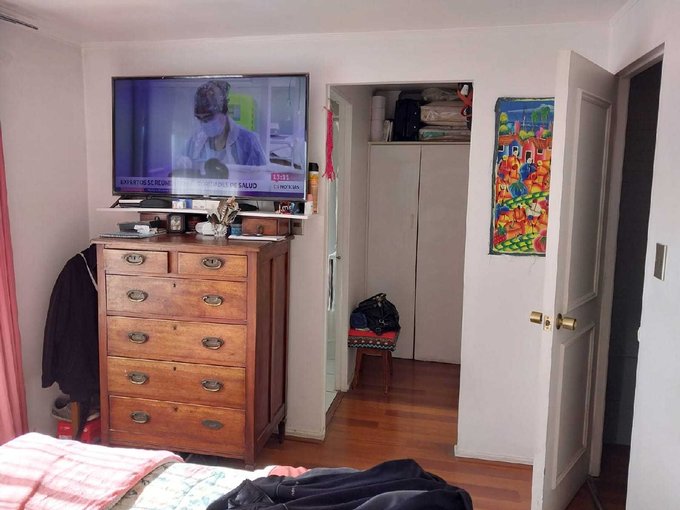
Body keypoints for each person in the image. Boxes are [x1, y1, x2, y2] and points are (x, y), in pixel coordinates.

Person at [176, 80, 267, 176]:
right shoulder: (195, 141)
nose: (204, 124)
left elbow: (260, 179)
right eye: (200, 119)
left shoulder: (248, 142)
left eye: (208, 118)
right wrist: (182, 163)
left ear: (224, 111)